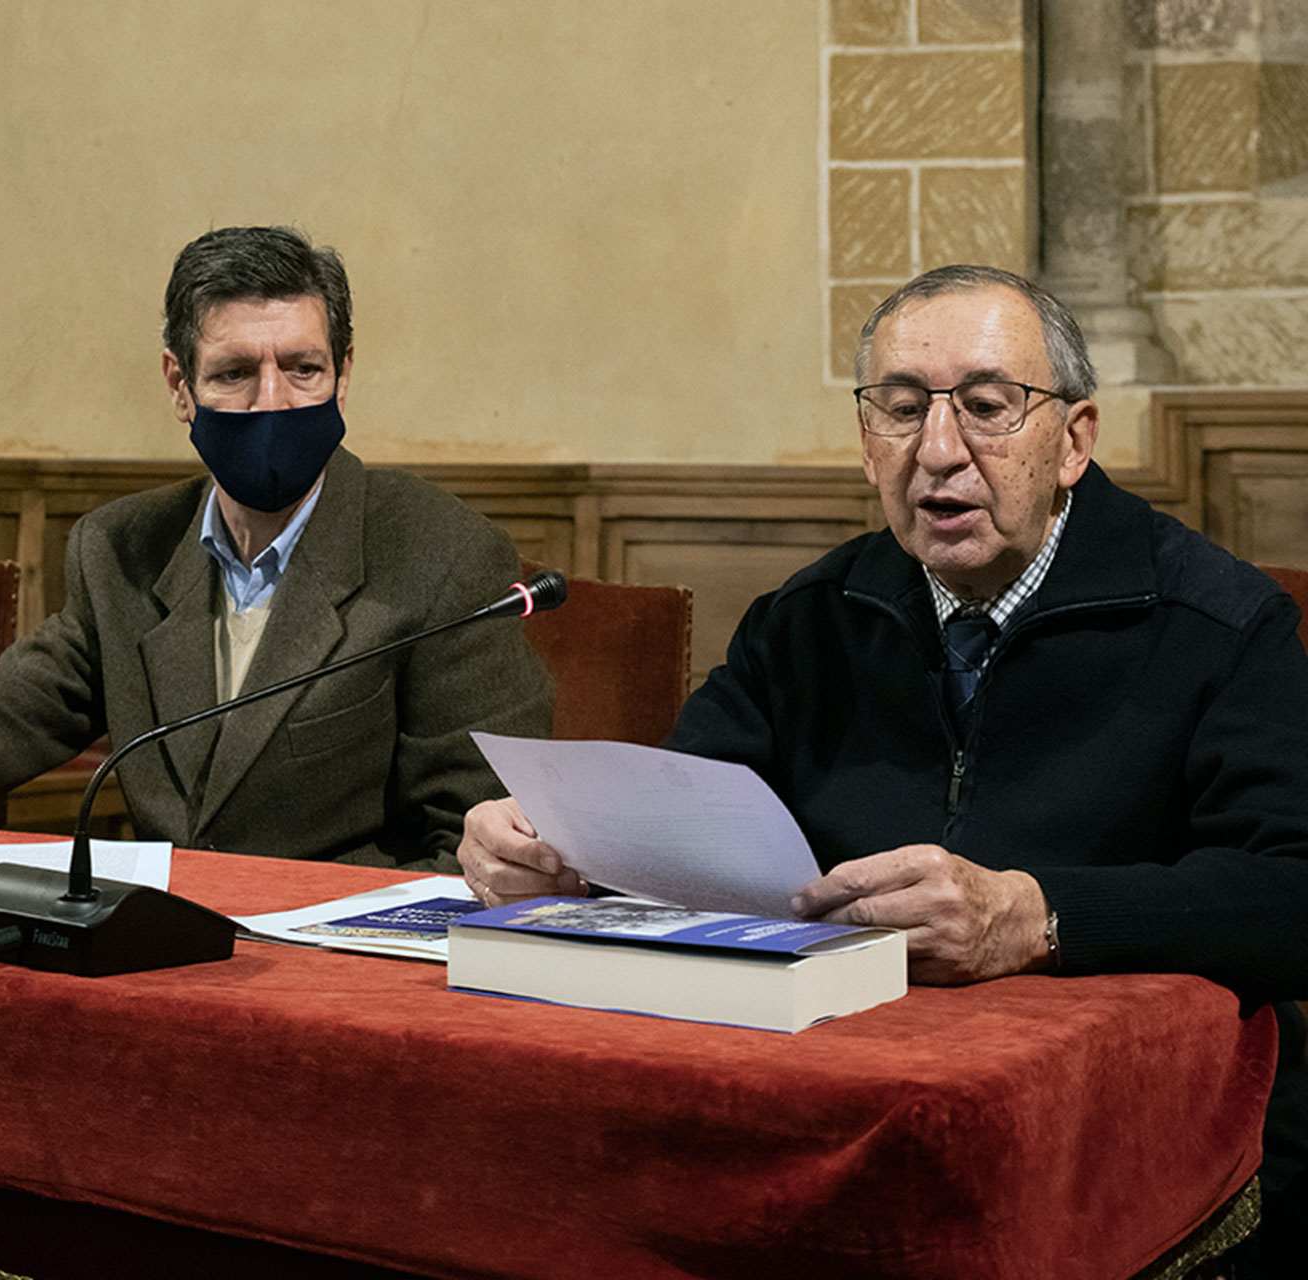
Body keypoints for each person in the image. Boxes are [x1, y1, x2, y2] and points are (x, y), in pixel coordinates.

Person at [457, 264, 1308, 1270]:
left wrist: (1038, 916)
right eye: (901, 410)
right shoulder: (810, 620)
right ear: (868, 444)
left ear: (1074, 439)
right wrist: (561, 848)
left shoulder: (1218, 623)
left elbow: (1289, 891)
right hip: (833, 1118)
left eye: (989, 407)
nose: (939, 452)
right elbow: (683, 816)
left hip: (1141, 1143)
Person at [0, 225, 551, 870]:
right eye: (235, 373)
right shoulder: (121, 551)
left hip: (341, 965)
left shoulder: (443, 553)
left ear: (344, 375)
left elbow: (475, 839)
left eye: (303, 369)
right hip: (159, 954)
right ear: (179, 385)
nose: (273, 402)